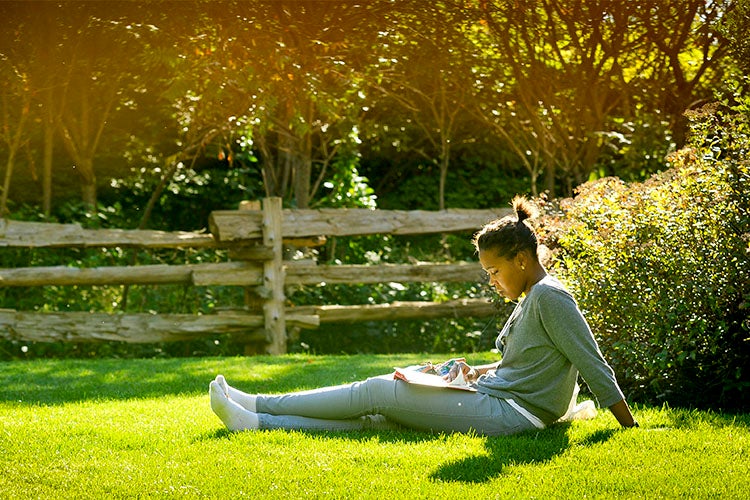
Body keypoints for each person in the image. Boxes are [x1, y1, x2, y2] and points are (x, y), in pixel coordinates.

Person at [209, 196, 638, 435]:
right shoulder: (533, 296)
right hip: (497, 396)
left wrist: (630, 430)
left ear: (522, 258)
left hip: (514, 414)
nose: (491, 280)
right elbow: (524, 364)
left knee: (377, 391)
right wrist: (465, 371)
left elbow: (592, 363)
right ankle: (257, 421)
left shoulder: (551, 297)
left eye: (494, 271)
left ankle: (259, 405)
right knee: (382, 419)